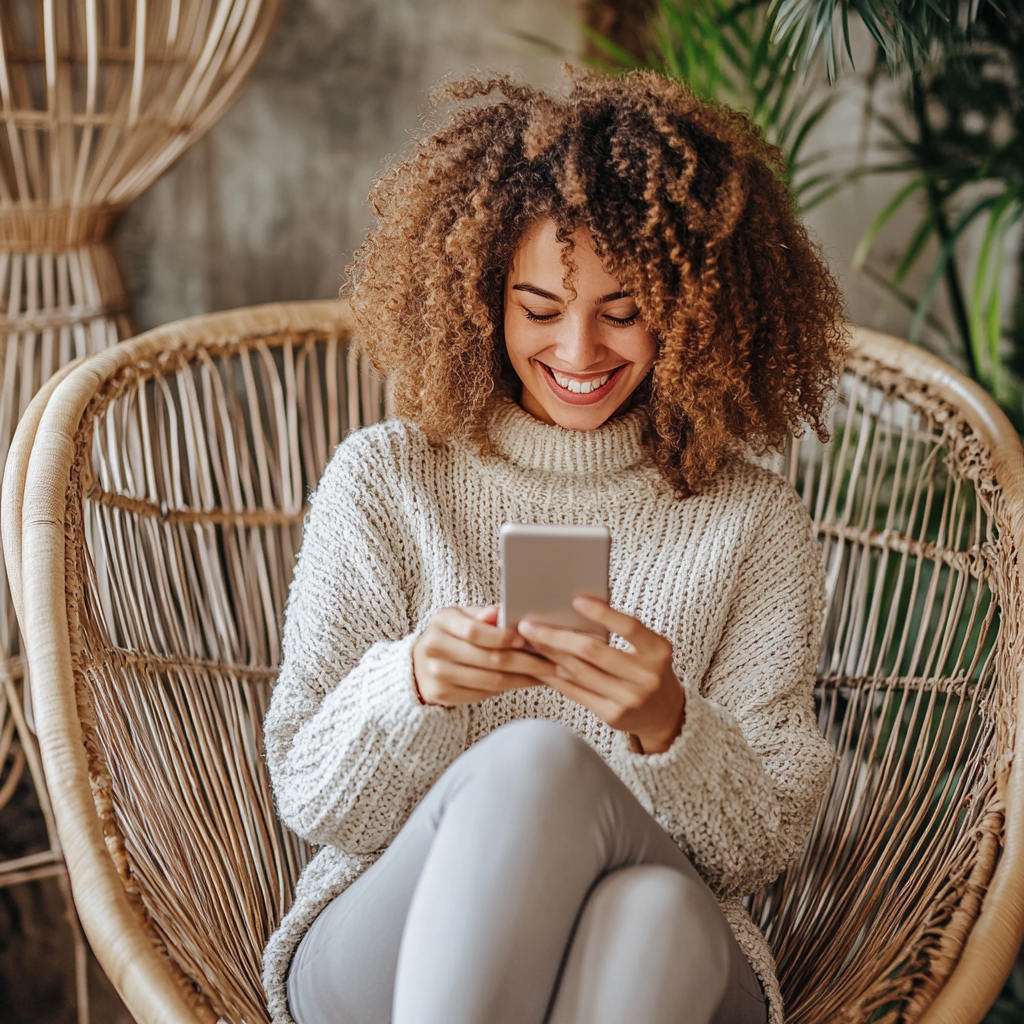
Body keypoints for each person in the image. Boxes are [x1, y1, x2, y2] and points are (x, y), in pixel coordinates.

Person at [262, 68, 845, 1024]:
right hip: (384, 946)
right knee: (536, 762)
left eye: (624, 313)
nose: (579, 354)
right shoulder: (388, 479)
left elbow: (759, 853)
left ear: (698, 309)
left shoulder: (751, 524)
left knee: (658, 909)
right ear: (479, 299)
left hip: (679, 961)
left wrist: (670, 725)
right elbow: (315, 799)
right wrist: (412, 685)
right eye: (539, 309)